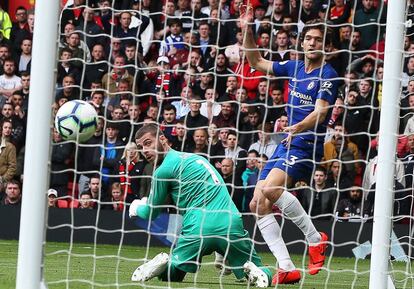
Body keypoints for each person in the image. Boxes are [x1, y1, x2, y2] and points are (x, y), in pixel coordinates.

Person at [240, 11, 339, 284]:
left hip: (306, 143)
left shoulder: (328, 76)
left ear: (325, 45)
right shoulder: (293, 66)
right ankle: (287, 267)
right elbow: (256, 61)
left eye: (317, 39)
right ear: (302, 42)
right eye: (307, 38)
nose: (311, 43)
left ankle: (315, 239)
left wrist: (299, 127)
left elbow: (320, 112)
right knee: (257, 203)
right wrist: (248, 30)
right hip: (286, 142)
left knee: (272, 190)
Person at [129, 124, 272, 287]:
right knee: (261, 272)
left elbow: (151, 213)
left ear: (163, 139)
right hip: (231, 221)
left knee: (173, 275)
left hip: (198, 227)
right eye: (141, 147)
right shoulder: (197, 158)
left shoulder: (162, 171)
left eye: (148, 143)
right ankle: (254, 270)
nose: (145, 150)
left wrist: (135, 207)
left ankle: (163, 266)